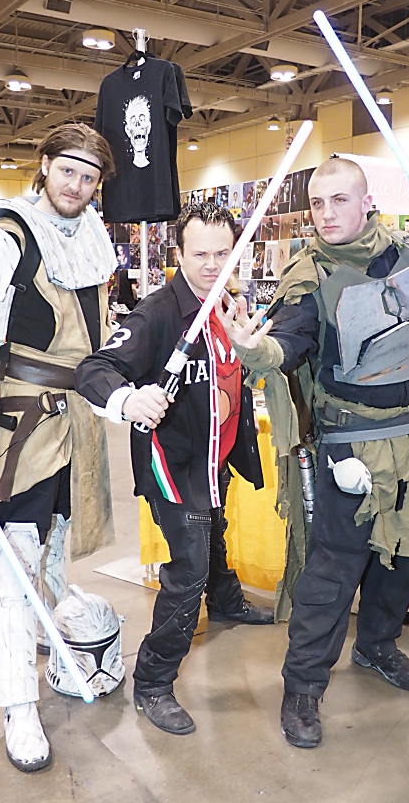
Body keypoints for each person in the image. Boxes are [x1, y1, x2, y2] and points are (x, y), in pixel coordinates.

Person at [218, 157, 409, 749]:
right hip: (351, 445)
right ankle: (302, 687)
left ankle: (378, 646)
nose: (326, 214)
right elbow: (289, 342)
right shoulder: (309, 276)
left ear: (367, 202)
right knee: (334, 568)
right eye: (317, 203)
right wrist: (256, 350)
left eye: (339, 200)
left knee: (404, 554)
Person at [0, 123, 119, 773]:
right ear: (44, 165)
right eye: (68, 170)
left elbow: (97, 337)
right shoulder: (1, 234)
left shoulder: (91, 237)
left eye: (89, 176)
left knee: (55, 546)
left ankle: (50, 643)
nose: (77, 185)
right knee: (14, 563)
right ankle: (18, 704)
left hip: (78, 415)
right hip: (23, 423)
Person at [74, 202, 273, 738]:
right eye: (200, 254)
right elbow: (94, 368)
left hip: (214, 457)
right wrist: (127, 399)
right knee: (187, 574)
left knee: (215, 533)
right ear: (178, 254)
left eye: (222, 253)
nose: (212, 265)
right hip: (174, 466)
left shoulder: (227, 304)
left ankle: (226, 602)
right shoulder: (158, 313)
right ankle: (153, 682)